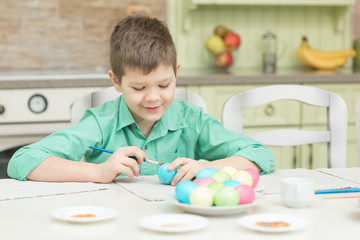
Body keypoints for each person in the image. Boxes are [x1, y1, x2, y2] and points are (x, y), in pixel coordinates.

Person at [8, 16, 275, 185]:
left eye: (164, 84)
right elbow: (22, 160)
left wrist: (207, 166)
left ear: (176, 74)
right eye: (138, 87)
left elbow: (261, 155)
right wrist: (98, 172)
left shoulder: (192, 121)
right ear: (116, 81)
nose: (153, 97)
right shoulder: (101, 124)